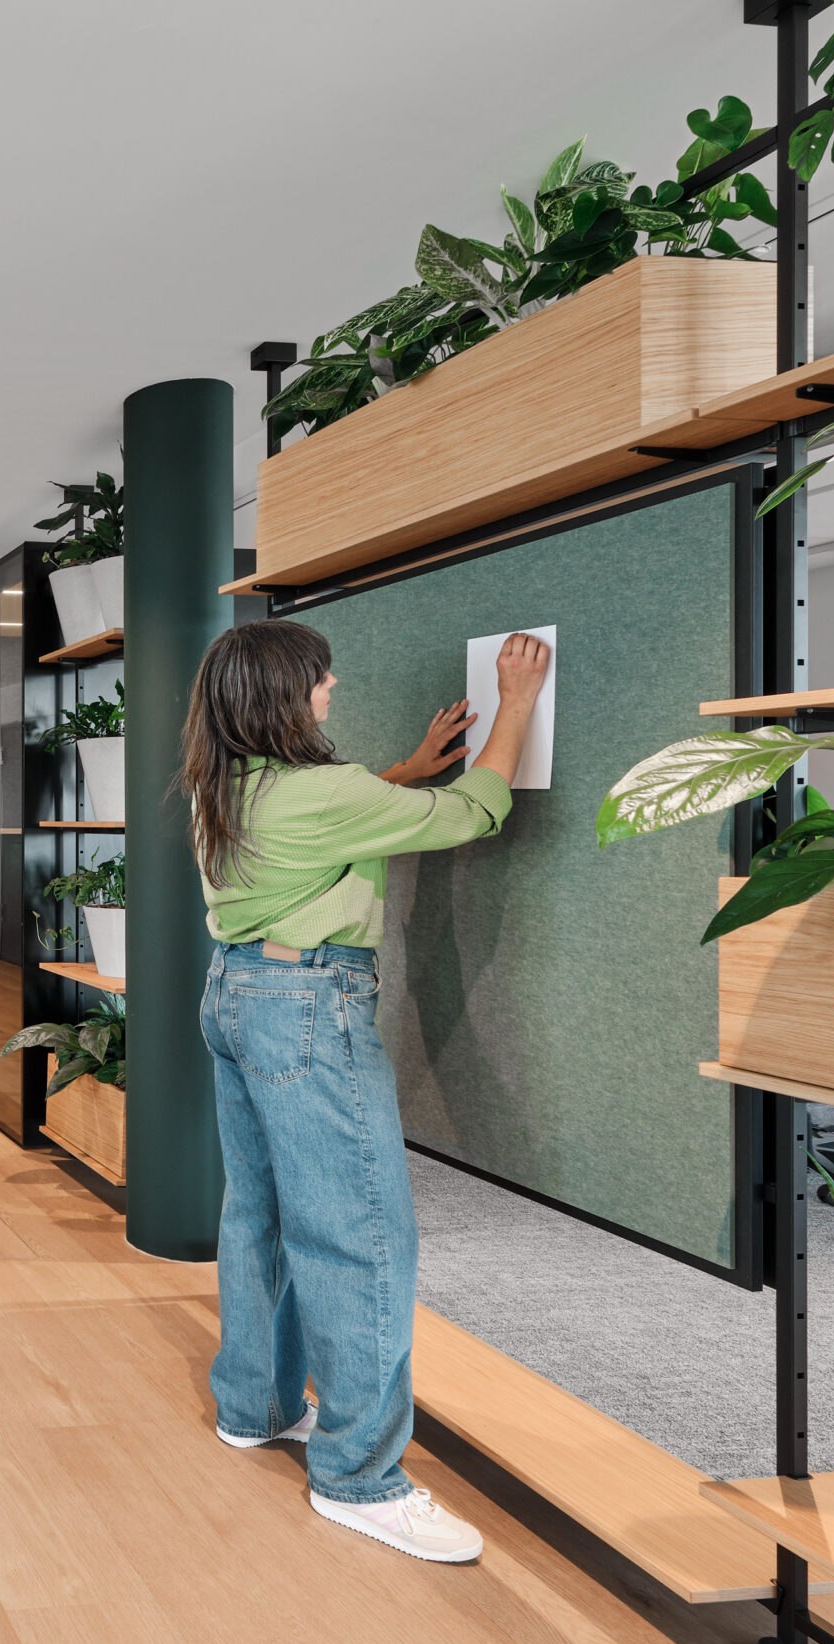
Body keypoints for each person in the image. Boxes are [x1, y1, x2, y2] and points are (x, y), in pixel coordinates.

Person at [175, 619, 551, 1564]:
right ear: (282, 696)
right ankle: (361, 1476)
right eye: (319, 677)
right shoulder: (320, 791)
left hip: (238, 993)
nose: (331, 686)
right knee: (362, 1234)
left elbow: (328, 822)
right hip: (309, 1006)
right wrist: (516, 704)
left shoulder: (226, 784)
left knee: (259, 1214)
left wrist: (404, 769)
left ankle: (255, 1407)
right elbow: (476, 812)